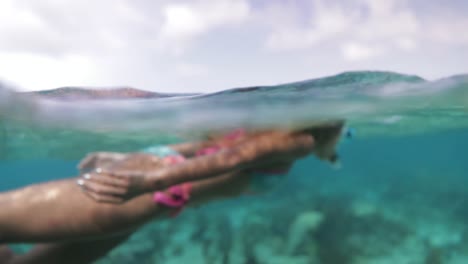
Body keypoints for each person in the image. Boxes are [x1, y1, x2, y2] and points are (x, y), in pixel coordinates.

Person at [0, 121, 344, 263]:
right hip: (148, 190)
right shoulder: (299, 141)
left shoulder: (272, 130)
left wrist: (133, 166)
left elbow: (204, 148)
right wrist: (147, 181)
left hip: (152, 191)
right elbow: (232, 158)